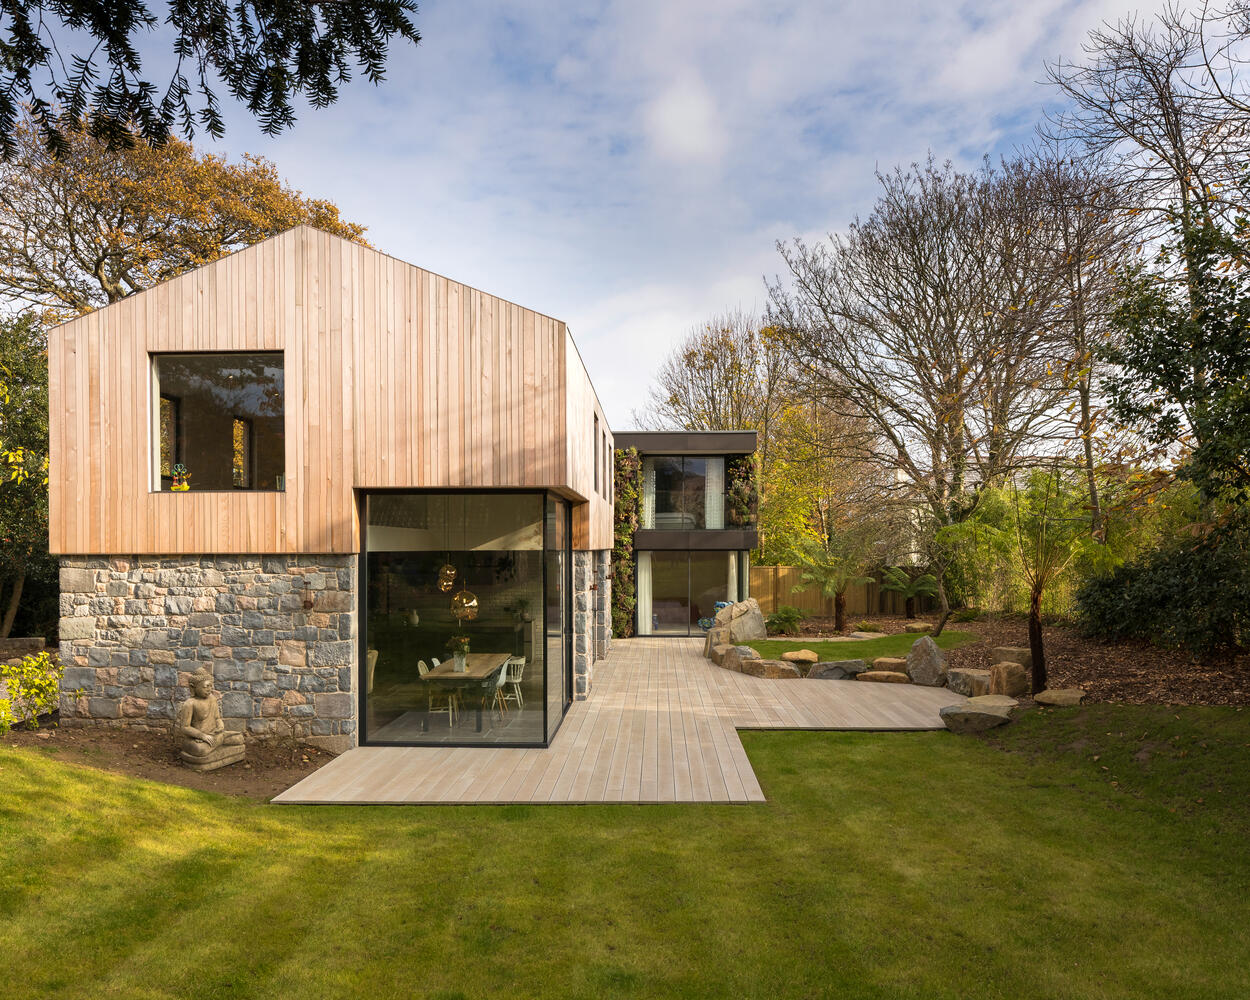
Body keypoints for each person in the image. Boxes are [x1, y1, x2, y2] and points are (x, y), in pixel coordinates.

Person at [176, 668, 244, 760]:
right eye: (205, 686)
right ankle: (217, 743)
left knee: (239, 738)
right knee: (200, 749)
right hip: (197, 739)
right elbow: (185, 727)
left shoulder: (212, 699)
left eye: (210, 686)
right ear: (193, 687)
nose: (209, 689)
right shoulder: (190, 703)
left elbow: (217, 718)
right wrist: (202, 735)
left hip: (214, 735)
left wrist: (220, 725)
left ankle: (217, 742)